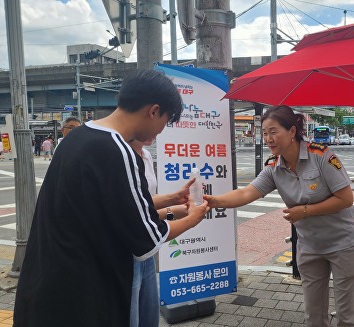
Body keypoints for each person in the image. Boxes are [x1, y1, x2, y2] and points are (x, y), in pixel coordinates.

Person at [13, 69, 210, 327]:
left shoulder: (80, 138)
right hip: (89, 289)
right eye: (165, 120)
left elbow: (123, 207)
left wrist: (173, 199)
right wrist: (193, 218)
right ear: (153, 110)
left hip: (51, 282)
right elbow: (146, 238)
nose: (162, 130)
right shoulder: (118, 150)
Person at [205, 105, 354, 327]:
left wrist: (305, 211)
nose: (268, 138)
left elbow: (345, 199)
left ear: (291, 132)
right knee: (314, 315)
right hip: (310, 246)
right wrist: (215, 201)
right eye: (265, 133)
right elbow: (246, 192)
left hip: (343, 243)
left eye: (273, 131)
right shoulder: (273, 167)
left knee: (349, 316)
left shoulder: (321, 155)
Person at [128, 138, 187, 327]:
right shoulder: (119, 156)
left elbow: (147, 207)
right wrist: (185, 217)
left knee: (149, 316)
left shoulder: (146, 155)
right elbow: (130, 209)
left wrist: (175, 206)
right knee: (131, 317)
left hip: (147, 248)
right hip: (126, 250)